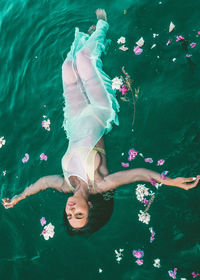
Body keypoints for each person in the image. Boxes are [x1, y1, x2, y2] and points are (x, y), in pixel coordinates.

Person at [2, 9, 200, 233]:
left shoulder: (65, 184)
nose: (72, 210)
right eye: (79, 214)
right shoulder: (101, 182)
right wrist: (170, 181)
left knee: (67, 68)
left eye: (69, 215)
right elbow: (138, 174)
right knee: (83, 60)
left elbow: (41, 183)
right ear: (90, 206)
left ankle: (89, 38)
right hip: (99, 110)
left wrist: (19, 197)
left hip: (74, 119)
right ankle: (103, 25)